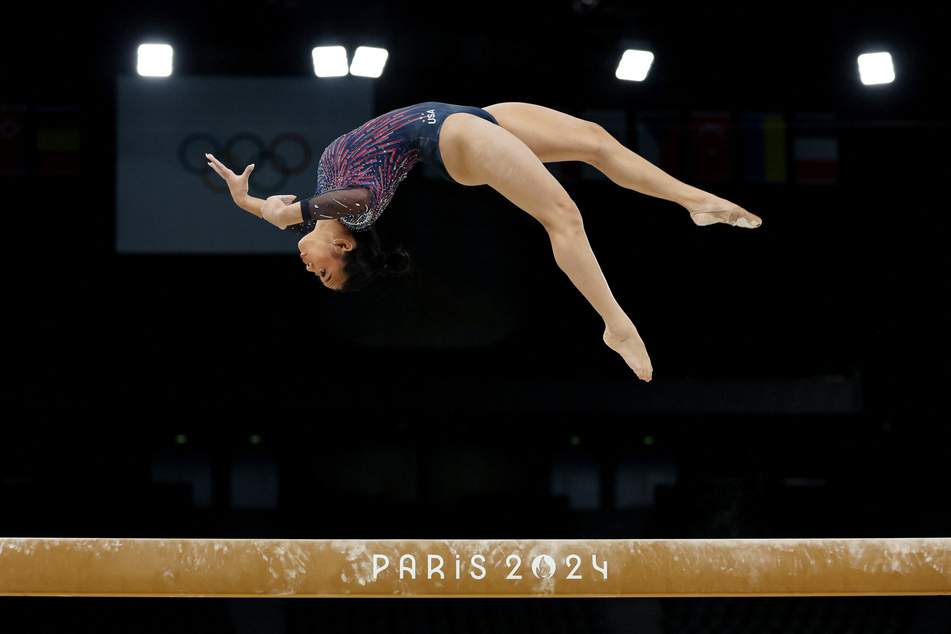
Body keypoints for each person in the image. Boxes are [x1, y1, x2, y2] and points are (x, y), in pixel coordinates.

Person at [207, 102, 762, 382]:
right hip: (456, 142)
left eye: (320, 274)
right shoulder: (357, 207)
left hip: (470, 114)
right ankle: (617, 326)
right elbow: (338, 205)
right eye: (325, 275)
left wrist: (250, 202)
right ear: (348, 246)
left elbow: (277, 209)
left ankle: (696, 202)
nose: (312, 271)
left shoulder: (311, 216)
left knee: (595, 141)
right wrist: (290, 212)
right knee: (564, 216)